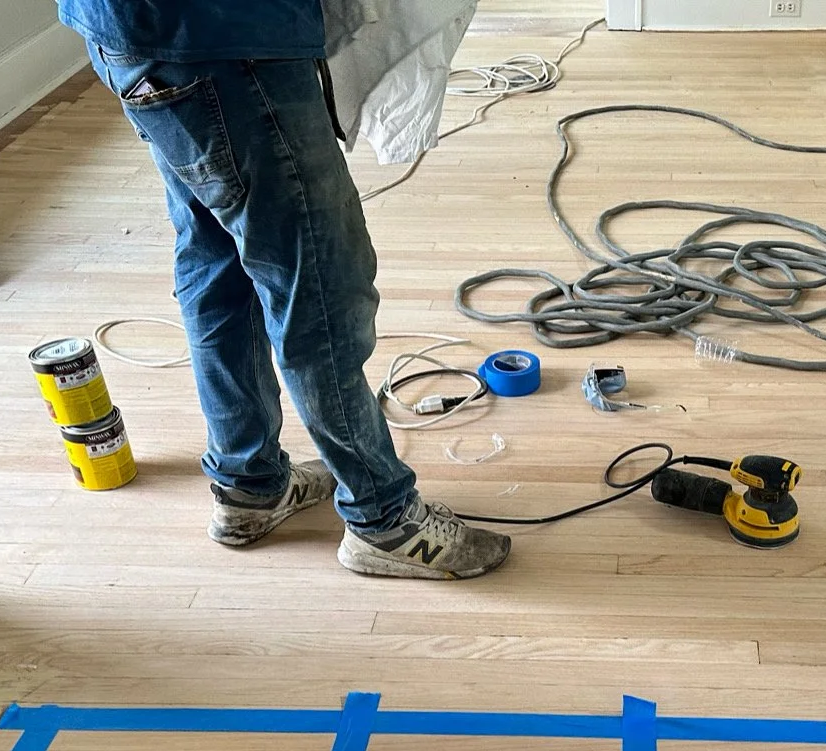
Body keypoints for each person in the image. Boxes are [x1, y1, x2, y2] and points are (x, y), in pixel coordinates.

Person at [57, 1, 511, 580]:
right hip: (228, 41)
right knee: (318, 283)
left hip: (135, 33)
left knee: (219, 259)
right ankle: (385, 520)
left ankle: (249, 487)